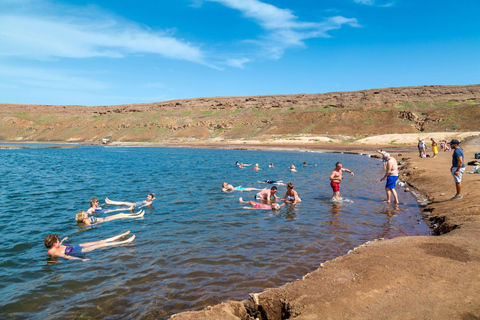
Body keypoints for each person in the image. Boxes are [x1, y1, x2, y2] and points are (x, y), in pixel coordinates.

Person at [44, 231, 134, 261]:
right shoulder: (54, 252)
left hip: (76, 246)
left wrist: (63, 240)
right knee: (102, 245)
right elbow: (67, 257)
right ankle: (124, 242)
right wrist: (81, 259)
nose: (59, 240)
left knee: (99, 241)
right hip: (78, 251)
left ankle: (120, 236)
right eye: (58, 240)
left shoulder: (56, 246)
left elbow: (60, 245)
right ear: (54, 244)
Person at [76, 210, 145, 226]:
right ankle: (137, 216)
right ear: (83, 217)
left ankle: (136, 214)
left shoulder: (87, 219)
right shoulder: (86, 221)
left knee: (121, 214)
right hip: (104, 220)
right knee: (121, 216)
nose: (86, 214)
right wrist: (99, 223)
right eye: (85, 214)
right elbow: (91, 226)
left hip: (105, 218)